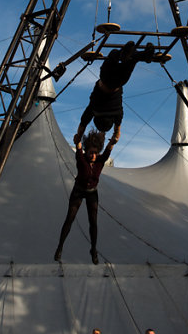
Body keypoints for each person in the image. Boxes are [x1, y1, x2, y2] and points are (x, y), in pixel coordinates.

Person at [73, 42, 155, 146]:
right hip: (106, 79)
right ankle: (125, 55)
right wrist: (78, 137)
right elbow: (83, 124)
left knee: (133, 59)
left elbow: (117, 132)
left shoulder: (117, 114)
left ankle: (145, 56)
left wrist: (114, 139)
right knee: (114, 54)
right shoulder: (94, 109)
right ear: (95, 118)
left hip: (120, 81)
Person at [54, 129, 117, 264]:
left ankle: (93, 249)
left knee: (93, 222)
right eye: (91, 153)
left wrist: (113, 141)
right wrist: (78, 139)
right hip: (79, 190)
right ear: (86, 152)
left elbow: (108, 150)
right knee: (70, 218)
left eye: (95, 153)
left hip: (92, 192)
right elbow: (79, 147)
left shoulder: (100, 160)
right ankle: (60, 247)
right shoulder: (81, 158)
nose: (93, 155)